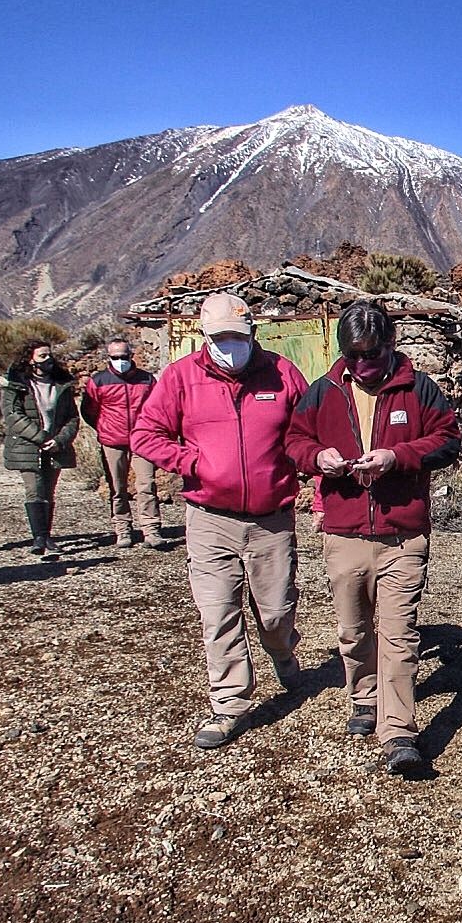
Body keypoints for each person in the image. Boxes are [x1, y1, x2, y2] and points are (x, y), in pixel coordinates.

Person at [285, 303, 462, 777]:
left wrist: (397, 457)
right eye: (353, 355)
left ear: (391, 343)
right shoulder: (323, 392)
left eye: (372, 354)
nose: (362, 365)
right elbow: (293, 442)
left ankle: (398, 730)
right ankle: (363, 698)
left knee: (400, 635)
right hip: (344, 532)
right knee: (355, 628)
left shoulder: (419, 387)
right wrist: (315, 457)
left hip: (403, 534)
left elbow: (448, 441)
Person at [131, 292, 308, 750]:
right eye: (219, 337)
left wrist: (303, 471)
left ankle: (283, 652)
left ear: (253, 334)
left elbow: (307, 431)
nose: (230, 345)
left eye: (238, 336)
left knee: (275, 612)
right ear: (204, 337)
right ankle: (229, 703)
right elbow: (146, 434)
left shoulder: (282, 373)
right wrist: (191, 461)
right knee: (218, 611)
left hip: (272, 519)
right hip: (209, 518)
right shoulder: (180, 377)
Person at [80, 335, 163, 549]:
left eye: (124, 356)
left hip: (142, 441)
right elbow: (89, 411)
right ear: (108, 357)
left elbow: (156, 407)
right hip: (112, 441)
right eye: (115, 357)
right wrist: (104, 429)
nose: (120, 360)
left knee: (147, 485)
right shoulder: (98, 381)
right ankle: (123, 529)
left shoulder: (146, 380)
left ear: (131, 355)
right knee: (117, 488)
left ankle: (151, 529)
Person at [0, 339, 78, 558]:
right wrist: (40, 437)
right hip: (28, 445)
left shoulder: (61, 385)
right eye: (42, 356)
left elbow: (72, 417)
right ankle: (39, 537)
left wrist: (60, 440)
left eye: (49, 355)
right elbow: (13, 415)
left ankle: (46, 536)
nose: (48, 359)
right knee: (35, 489)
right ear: (30, 359)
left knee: (49, 492)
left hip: (55, 446)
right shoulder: (16, 384)